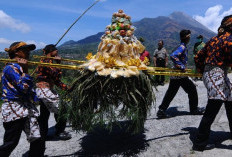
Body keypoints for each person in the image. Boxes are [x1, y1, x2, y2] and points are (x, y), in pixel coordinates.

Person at [192, 15, 232, 151]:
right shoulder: (229, 39)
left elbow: (198, 57)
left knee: (230, 100)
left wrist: (202, 70)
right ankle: (199, 143)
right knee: (213, 107)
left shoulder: (213, 39)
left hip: (212, 73)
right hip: (216, 74)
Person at [0, 42, 44, 157]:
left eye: (28, 50)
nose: (28, 53)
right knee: (11, 142)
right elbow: (23, 88)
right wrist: (25, 70)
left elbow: (28, 88)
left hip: (26, 107)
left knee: (36, 138)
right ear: (16, 52)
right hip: (14, 109)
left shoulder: (19, 67)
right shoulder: (10, 68)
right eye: (25, 50)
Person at [156, 30, 204, 119]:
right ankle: (194, 109)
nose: (190, 37)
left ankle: (161, 110)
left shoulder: (182, 46)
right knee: (192, 90)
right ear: (186, 37)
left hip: (176, 74)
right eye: (189, 36)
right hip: (180, 74)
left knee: (171, 92)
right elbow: (173, 56)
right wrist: (181, 66)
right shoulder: (182, 47)